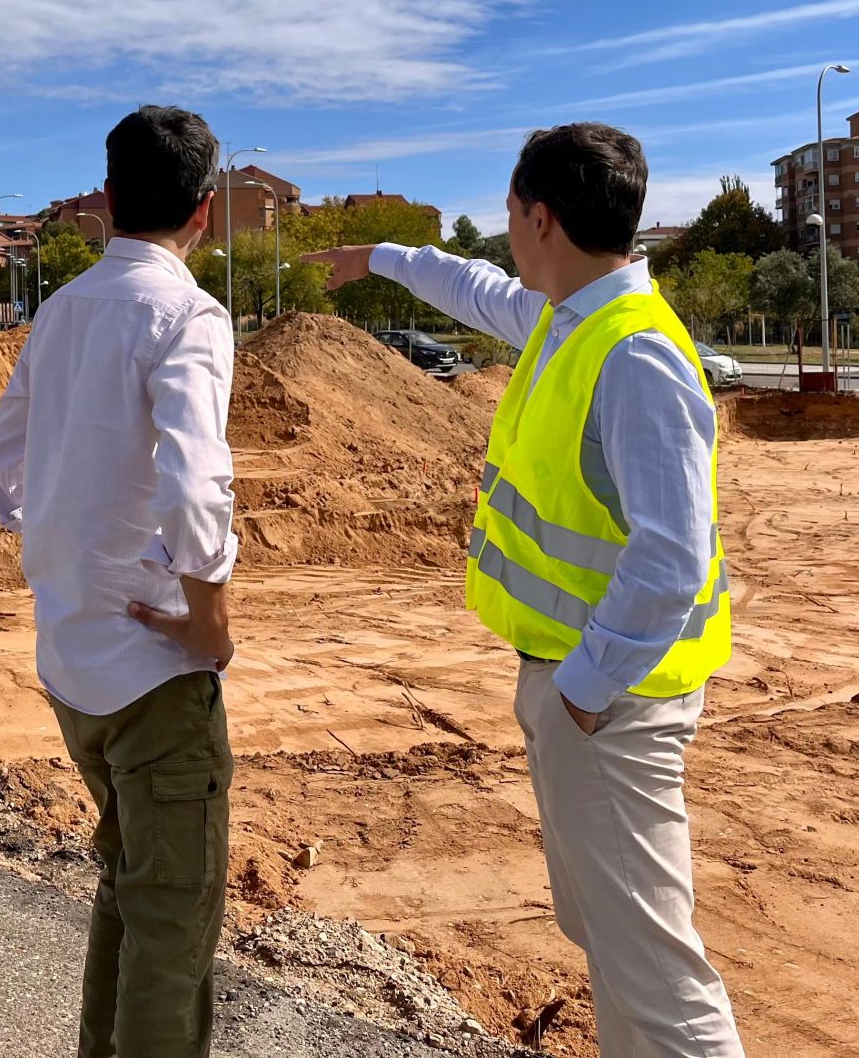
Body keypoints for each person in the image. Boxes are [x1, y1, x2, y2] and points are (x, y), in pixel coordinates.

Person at [301, 122, 743, 1057]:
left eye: (508, 214)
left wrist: (580, 693)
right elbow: (471, 288)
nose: (503, 234)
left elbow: (673, 554)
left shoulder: (634, 356)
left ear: (541, 217)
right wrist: (378, 256)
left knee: (660, 978)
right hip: (579, 692)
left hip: (614, 705)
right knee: (616, 952)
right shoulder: (570, 317)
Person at [0, 105, 237, 1058]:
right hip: (154, 679)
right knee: (172, 928)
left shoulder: (59, 312)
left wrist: (62, 553)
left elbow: (7, 455)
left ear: (104, 201)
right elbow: (197, 477)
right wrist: (207, 617)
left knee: (127, 887)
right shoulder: (188, 315)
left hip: (72, 661)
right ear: (203, 213)